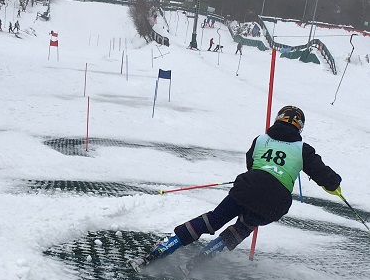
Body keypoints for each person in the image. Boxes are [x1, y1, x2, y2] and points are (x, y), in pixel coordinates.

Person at [133, 106, 342, 270]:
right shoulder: (303, 149)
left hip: (247, 188)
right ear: (300, 127)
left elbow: (250, 163)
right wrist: (335, 185)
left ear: (277, 120)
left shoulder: (261, 139)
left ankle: (163, 249)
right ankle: (203, 257)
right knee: (244, 226)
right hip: (276, 203)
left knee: (213, 220)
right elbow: (325, 176)